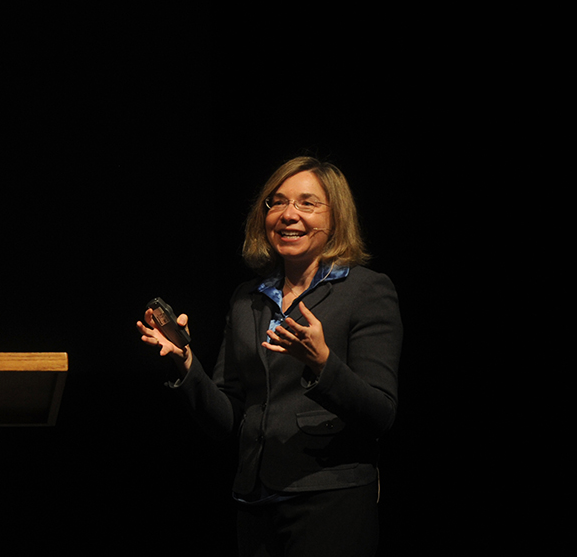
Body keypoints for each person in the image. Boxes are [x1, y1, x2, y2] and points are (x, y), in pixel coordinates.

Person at [137, 157, 402, 557]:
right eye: (276, 202)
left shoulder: (366, 292)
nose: (288, 214)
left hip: (330, 498)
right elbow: (227, 418)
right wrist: (185, 361)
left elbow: (380, 413)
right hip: (255, 501)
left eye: (306, 203)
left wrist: (322, 362)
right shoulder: (248, 298)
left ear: (336, 216)